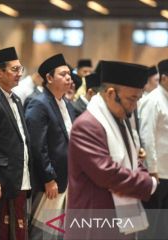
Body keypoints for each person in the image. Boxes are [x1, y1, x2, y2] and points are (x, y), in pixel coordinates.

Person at [66, 61, 157, 240]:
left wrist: (143, 174)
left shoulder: (118, 118)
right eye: (132, 99)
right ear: (110, 93)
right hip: (94, 222)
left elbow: (133, 159)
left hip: (119, 220)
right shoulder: (87, 125)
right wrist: (148, 183)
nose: (135, 106)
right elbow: (106, 173)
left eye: (138, 99)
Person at [25, 53, 75, 240]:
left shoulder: (67, 104)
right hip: (50, 181)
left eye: (69, 74)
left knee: (60, 231)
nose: (69, 78)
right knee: (43, 232)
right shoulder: (39, 103)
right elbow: (38, 145)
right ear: (49, 78)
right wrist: (48, 178)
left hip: (67, 177)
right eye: (63, 74)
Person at [0, 47, 32, 240]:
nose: (19, 74)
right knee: (1, 231)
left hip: (19, 176)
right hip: (2, 180)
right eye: (14, 70)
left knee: (19, 229)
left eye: (20, 69)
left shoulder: (16, 99)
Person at [139, 59, 168, 239]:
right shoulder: (153, 100)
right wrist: (153, 170)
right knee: (152, 225)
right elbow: (146, 137)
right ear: (164, 78)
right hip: (157, 174)